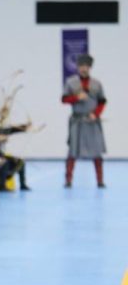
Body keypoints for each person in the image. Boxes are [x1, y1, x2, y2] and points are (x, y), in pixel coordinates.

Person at [62, 54, 106, 188]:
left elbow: (102, 101)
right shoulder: (70, 82)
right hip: (77, 121)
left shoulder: (97, 84)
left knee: (96, 151)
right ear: (77, 67)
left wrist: (96, 114)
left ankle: (100, 180)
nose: (83, 69)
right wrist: (75, 97)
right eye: (81, 66)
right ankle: (68, 180)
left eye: (86, 66)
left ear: (90, 67)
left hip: (92, 122)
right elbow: (64, 99)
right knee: (72, 151)